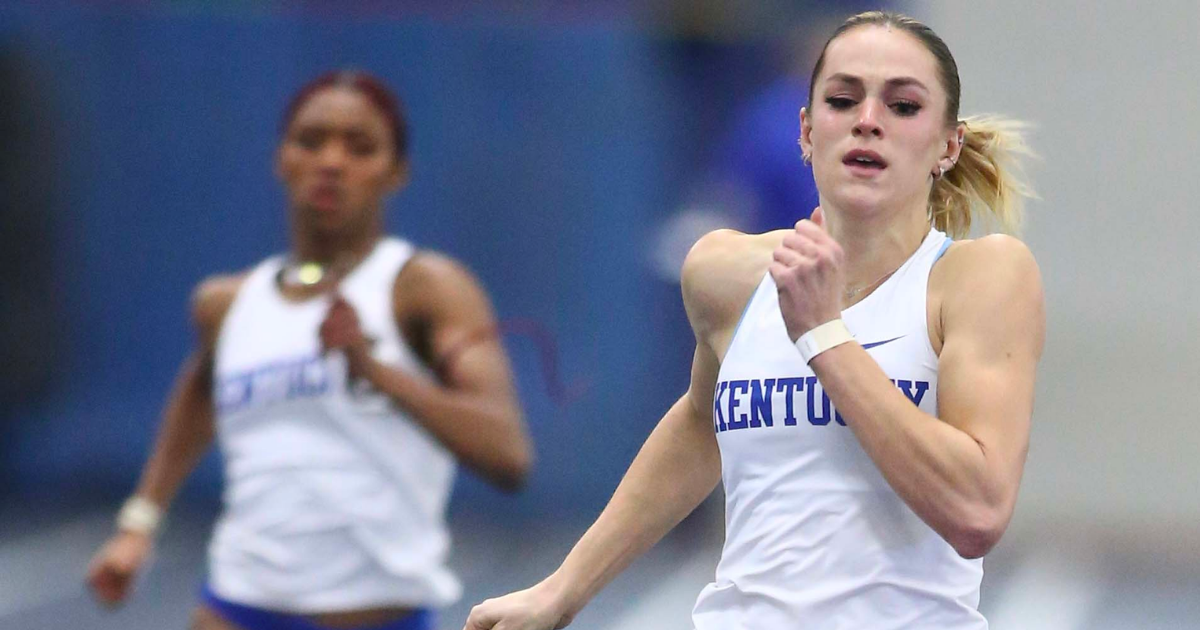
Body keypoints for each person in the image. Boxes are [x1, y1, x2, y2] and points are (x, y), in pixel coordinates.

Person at [464, 10, 1042, 630]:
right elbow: (698, 422)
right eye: (843, 100)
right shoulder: (726, 273)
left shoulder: (978, 278)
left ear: (947, 145)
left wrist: (823, 335)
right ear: (806, 131)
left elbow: (976, 512)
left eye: (903, 106)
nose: (868, 121)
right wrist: (562, 590)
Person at [86, 70, 533, 630]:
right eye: (311, 140)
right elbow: (200, 394)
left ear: (396, 172)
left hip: (373, 615)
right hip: (236, 606)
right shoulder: (226, 304)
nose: (331, 161)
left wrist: (374, 371)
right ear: (281, 159)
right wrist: (138, 524)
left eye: (360, 147)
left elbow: (508, 454)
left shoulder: (424, 288)